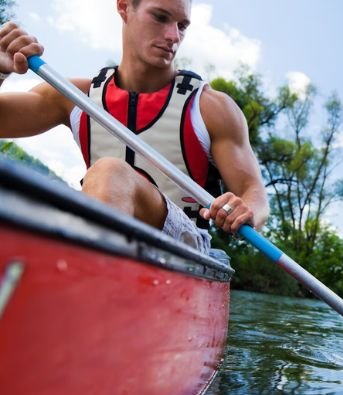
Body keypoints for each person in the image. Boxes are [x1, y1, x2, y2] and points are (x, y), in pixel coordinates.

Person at [0, 0, 268, 255]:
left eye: (182, 26)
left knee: (109, 171)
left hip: (185, 245)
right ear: (124, 6)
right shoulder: (74, 96)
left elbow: (254, 194)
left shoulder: (211, 108)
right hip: (101, 227)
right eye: (161, 17)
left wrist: (246, 210)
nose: (174, 36)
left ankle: (79, 276)